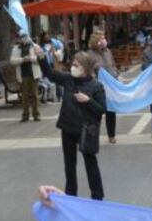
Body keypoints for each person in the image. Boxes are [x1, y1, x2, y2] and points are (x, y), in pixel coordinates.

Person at [42, 51, 107, 200]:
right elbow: (49, 73)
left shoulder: (96, 86)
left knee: (90, 163)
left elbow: (101, 109)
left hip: (86, 130)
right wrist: (41, 57)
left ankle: (97, 196)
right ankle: (71, 195)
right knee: (69, 164)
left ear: (85, 68)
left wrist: (88, 101)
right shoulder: (68, 79)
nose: (73, 67)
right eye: (73, 64)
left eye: (76, 65)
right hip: (68, 127)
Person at [88, 32, 119, 144]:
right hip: (98, 88)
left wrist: (115, 74)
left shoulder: (108, 51)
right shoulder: (90, 54)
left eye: (104, 38)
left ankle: (112, 135)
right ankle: (93, 136)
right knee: (97, 114)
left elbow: (113, 65)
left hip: (110, 87)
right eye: (101, 39)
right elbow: (88, 71)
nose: (104, 40)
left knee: (111, 112)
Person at [10, 32, 45, 122]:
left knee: (35, 95)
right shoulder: (16, 48)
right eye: (21, 37)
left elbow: (41, 58)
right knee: (24, 96)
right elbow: (12, 61)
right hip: (23, 75)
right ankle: (25, 115)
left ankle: (36, 114)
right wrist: (22, 60)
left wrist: (31, 58)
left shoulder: (35, 46)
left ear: (28, 36)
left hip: (34, 74)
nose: (23, 39)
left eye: (25, 36)